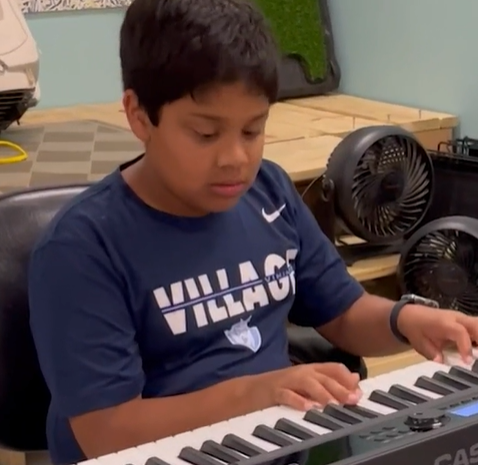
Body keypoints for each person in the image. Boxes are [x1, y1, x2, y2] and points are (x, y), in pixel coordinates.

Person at [28, 0, 478, 463]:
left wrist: (405, 321)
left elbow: (344, 313)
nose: (235, 159)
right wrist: (257, 394)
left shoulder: (269, 192)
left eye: (253, 130)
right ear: (139, 116)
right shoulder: (83, 248)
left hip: (274, 444)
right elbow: (107, 433)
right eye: (205, 134)